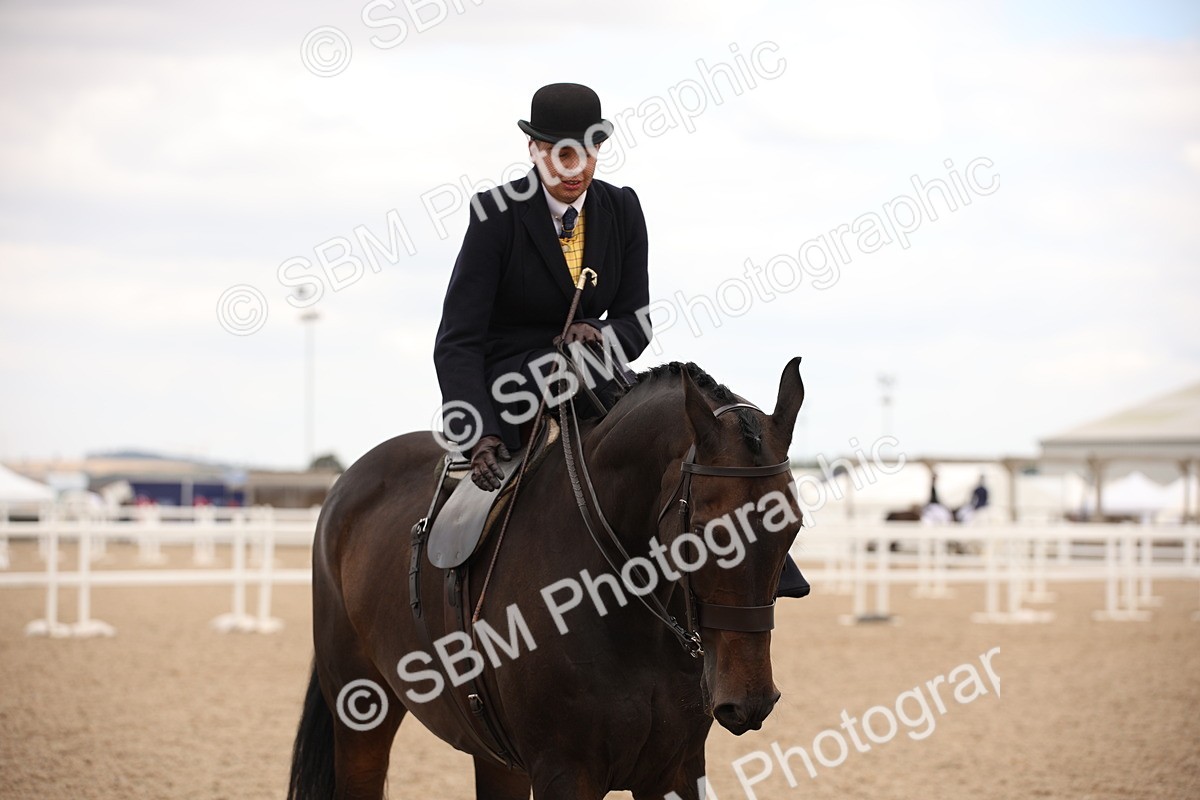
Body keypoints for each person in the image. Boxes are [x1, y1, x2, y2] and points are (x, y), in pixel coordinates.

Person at [434, 83, 650, 491]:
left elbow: (636, 325)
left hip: (593, 374)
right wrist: (478, 433)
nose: (575, 168)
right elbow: (457, 342)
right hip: (512, 387)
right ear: (533, 149)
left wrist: (598, 331)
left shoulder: (623, 208)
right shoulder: (494, 214)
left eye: (587, 153)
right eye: (561, 154)